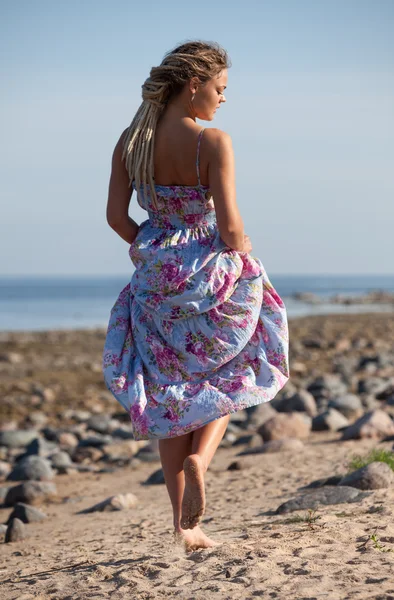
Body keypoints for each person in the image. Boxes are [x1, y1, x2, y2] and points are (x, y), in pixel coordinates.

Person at [103, 40, 290, 551]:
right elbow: (229, 226)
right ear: (194, 85)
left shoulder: (131, 141)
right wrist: (242, 245)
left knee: (169, 391)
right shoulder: (213, 142)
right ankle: (200, 461)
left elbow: (117, 219)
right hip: (211, 276)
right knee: (233, 367)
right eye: (220, 88)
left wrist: (156, 247)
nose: (223, 99)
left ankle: (185, 527)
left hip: (157, 281)